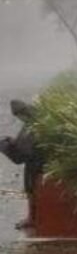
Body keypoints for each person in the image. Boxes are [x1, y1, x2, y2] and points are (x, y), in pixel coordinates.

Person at [0, 99, 45, 230]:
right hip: (37, 161)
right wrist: (12, 141)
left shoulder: (33, 125)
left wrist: (6, 146)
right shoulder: (34, 121)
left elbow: (22, 154)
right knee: (31, 190)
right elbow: (23, 143)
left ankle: (32, 218)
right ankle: (33, 217)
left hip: (36, 163)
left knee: (31, 189)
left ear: (21, 113)